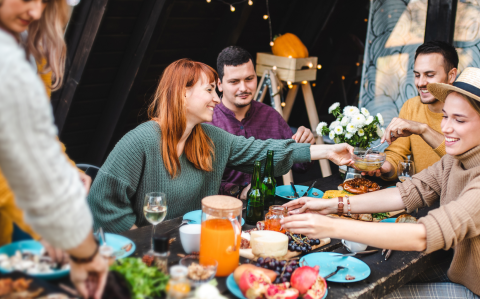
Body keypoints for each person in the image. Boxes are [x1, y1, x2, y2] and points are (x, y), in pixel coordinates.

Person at [87, 59, 354, 233]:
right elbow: (101, 201)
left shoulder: (211, 137)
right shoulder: (140, 141)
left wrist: (328, 151)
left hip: (199, 246)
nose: (217, 99)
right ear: (183, 93)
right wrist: (139, 239)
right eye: (209, 91)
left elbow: (263, 152)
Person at [282, 67, 480, 298]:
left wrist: (328, 226)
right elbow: (406, 192)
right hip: (459, 270)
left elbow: (423, 236)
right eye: (445, 116)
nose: (445, 127)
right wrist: (334, 205)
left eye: (460, 119)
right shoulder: (455, 160)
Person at [0, 0, 107, 297]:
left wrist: (66, 166)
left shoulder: (31, 46)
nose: (35, 11)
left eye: (45, 1)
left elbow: (34, 136)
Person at [207, 46, 315, 198]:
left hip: (267, 207)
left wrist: (307, 142)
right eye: (234, 81)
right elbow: (200, 181)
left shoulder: (271, 116)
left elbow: (300, 166)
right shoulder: (207, 120)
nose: (243, 88)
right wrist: (237, 191)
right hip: (220, 209)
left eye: (249, 79)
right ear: (219, 84)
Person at [364, 41, 458, 180]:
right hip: (420, 195)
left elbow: (465, 161)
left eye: (430, 75)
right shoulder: (411, 106)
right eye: (417, 75)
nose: (420, 83)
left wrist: (423, 129)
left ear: (451, 75)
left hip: (459, 197)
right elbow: (396, 154)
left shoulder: (469, 112)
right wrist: (383, 167)